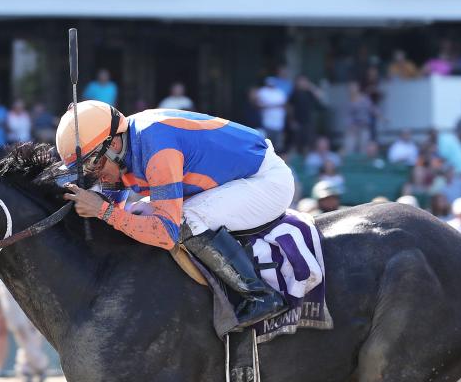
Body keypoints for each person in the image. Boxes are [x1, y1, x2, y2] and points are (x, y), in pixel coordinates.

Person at [57, 102, 295, 329]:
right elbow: (119, 213)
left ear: (114, 146)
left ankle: (259, 296)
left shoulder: (157, 145)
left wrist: (103, 210)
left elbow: (166, 233)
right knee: (136, 212)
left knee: (185, 222)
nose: (95, 177)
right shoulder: (123, 148)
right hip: (229, 182)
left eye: (93, 166)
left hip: (265, 182)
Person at [0, 288, 48, 382]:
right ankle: (40, 365)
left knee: (33, 330)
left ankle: (27, 368)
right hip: (10, 288)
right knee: (20, 330)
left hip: (31, 286)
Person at [288, 75, 325, 155]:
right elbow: (290, 108)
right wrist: (292, 120)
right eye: (300, 81)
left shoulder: (309, 92)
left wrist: (310, 86)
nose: (302, 83)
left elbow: (320, 95)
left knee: (308, 141)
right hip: (297, 121)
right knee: (296, 141)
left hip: (308, 121)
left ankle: (306, 158)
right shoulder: (294, 93)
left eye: (304, 81)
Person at [256, 77, 288, 152]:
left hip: (279, 124)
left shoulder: (280, 92)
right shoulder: (262, 91)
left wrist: (270, 105)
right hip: (266, 123)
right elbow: (258, 105)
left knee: (278, 147)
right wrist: (274, 106)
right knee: (266, 145)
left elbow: (284, 105)